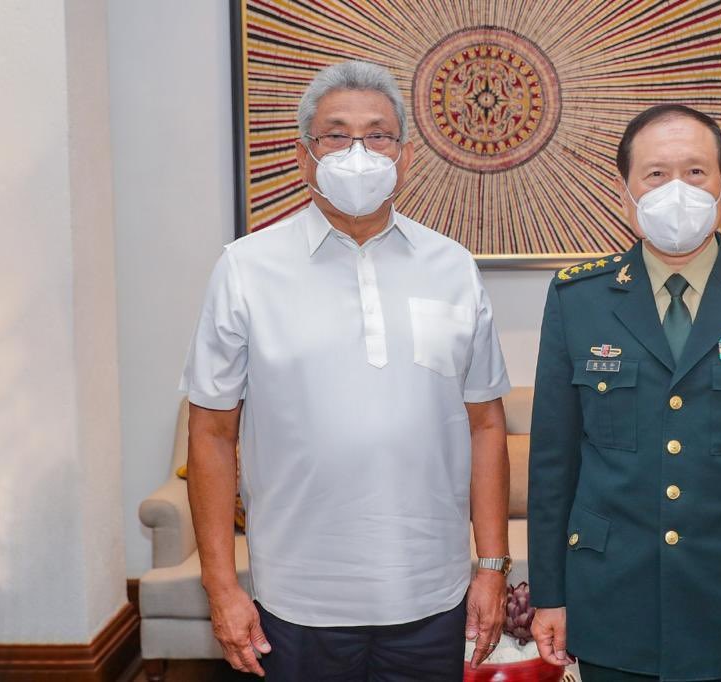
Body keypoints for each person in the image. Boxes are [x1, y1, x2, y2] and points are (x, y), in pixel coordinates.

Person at [180, 60, 513, 681]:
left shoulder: (452, 267)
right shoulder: (246, 269)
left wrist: (491, 568)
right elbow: (212, 433)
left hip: (431, 594)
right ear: (305, 155)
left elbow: (486, 426)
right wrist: (222, 586)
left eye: (379, 135)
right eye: (336, 135)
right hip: (295, 600)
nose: (359, 151)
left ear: (404, 157)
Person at [527, 103, 721, 681]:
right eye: (656, 174)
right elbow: (553, 464)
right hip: (613, 599)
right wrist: (551, 593)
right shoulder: (578, 300)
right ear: (626, 193)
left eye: (695, 172)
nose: (677, 190)